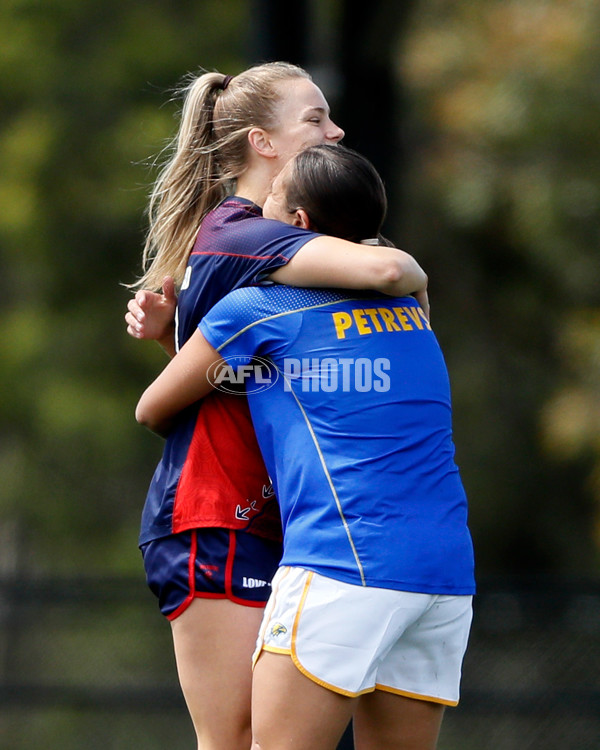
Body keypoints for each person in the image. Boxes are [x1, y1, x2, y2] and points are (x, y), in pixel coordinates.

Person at [126, 63, 429, 750]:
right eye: (315, 119)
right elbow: (389, 271)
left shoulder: (274, 246)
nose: (336, 130)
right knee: (239, 737)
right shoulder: (244, 234)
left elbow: (229, 375)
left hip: (295, 520)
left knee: (304, 737)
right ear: (263, 143)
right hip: (215, 510)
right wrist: (408, 270)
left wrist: (170, 333)